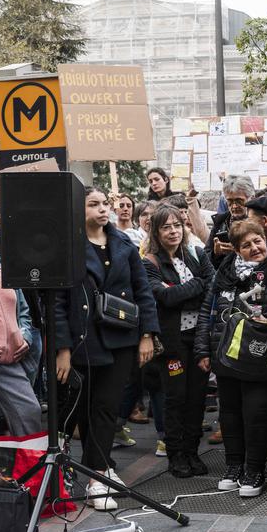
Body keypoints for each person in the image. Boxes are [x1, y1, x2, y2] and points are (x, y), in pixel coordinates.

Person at [55, 187, 160, 511]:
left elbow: (143, 291)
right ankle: (96, 469)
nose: (103, 210)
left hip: (122, 337)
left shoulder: (124, 244)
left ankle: (97, 476)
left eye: (105, 204)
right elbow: (57, 303)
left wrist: (148, 335)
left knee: (105, 407)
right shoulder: (69, 248)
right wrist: (63, 347)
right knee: (85, 409)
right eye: (94, 204)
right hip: (85, 338)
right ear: (79, 209)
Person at [195, 220, 267, 497]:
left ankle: (254, 470)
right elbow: (207, 311)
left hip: (260, 355)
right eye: (246, 245)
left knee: (256, 414)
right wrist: (202, 350)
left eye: (257, 240)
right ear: (236, 250)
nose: (255, 248)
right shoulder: (223, 271)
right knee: (229, 414)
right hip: (225, 354)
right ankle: (233, 466)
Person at [143, 205, 216, 478]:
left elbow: (212, 285)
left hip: (198, 339)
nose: (173, 231)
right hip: (172, 343)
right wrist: (193, 287)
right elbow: (165, 298)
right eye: (166, 227)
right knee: (175, 398)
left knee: (197, 398)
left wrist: (181, 290)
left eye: (177, 225)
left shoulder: (196, 254)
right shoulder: (149, 262)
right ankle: (176, 455)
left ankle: (192, 451)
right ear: (156, 232)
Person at [0, 213, 39, 476]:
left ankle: (32, 476)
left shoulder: (3, 267)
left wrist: (24, 335)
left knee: (30, 412)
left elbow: (23, 309)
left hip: (10, 359)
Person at [206, 175, 256, 269]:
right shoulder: (221, 222)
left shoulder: (259, 222)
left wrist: (238, 252)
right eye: (230, 201)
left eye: (239, 201)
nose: (234, 206)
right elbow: (205, 258)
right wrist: (216, 254)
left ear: (251, 198)